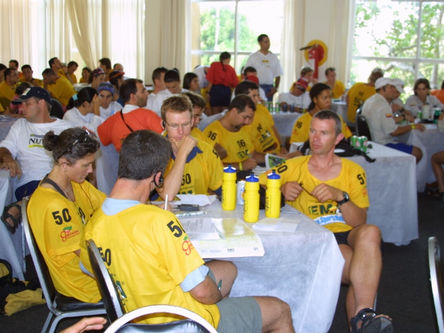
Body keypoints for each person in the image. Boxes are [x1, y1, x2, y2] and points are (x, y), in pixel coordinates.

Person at [80, 129, 294, 332]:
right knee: (280, 310)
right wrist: (217, 302)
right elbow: (203, 292)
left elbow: (89, 269)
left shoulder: (94, 221)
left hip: (134, 317)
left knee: (228, 270)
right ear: (157, 177)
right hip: (179, 322)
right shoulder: (158, 221)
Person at [259, 110, 393, 332]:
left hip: (345, 234)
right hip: (315, 239)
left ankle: (363, 315)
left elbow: (359, 221)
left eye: (323, 133)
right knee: (362, 274)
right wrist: (280, 189)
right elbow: (254, 186)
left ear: (338, 138)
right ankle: (364, 318)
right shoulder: (294, 166)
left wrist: (340, 197)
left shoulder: (353, 171)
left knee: (371, 232)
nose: (315, 138)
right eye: (312, 131)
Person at [27, 128, 104, 303]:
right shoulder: (52, 205)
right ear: (64, 163)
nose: (91, 170)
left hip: (91, 265)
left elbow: (109, 206)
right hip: (82, 283)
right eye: (86, 165)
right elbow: (83, 255)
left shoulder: (76, 184)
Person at [157, 95, 223, 200]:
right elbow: (167, 196)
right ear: (164, 125)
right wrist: (182, 154)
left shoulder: (206, 150)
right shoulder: (153, 152)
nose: (180, 131)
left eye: (185, 124)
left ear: (192, 122)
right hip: (165, 215)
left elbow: (221, 190)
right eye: (174, 125)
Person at [361, 77, 424, 162]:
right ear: (383, 89)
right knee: (417, 152)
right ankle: (404, 174)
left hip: (372, 141)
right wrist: (413, 126)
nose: (394, 90)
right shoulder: (383, 106)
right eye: (391, 87)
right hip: (382, 144)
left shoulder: (371, 100)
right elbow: (394, 132)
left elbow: (383, 121)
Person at [97, 78, 162, 151]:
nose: (147, 93)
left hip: (124, 161)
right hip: (148, 161)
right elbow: (166, 137)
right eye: (143, 91)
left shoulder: (111, 122)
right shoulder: (148, 115)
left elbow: (102, 139)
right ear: (132, 96)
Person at [203, 95, 264, 171]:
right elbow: (208, 165)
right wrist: (240, 166)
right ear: (234, 111)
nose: (247, 122)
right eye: (245, 117)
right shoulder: (213, 132)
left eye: (250, 118)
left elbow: (252, 154)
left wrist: (274, 158)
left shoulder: (243, 128)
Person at [234, 80, 284, 154]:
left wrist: (282, 147)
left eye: (258, 95)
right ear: (242, 98)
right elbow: (250, 154)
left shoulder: (261, 108)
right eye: (254, 96)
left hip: (277, 152)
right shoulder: (240, 122)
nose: (258, 99)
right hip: (262, 160)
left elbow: (273, 129)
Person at [245, 34, 283, 101]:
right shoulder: (253, 57)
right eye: (265, 42)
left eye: (268, 41)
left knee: (266, 110)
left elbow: (278, 74)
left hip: (270, 88)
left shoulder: (274, 57)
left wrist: (275, 88)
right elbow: (246, 73)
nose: (268, 44)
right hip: (256, 87)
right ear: (260, 43)